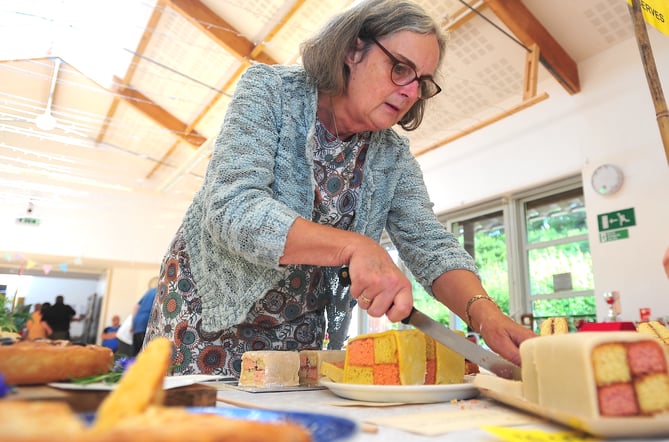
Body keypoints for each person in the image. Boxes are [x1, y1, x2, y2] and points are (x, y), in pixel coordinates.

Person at [144, 0, 536, 378]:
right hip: (207, 323)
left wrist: (484, 313)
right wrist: (354, 246)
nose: (411, 92)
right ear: (353, 49)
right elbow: (232, 208)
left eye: (422, 82)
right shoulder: (270, 91)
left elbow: (429, 243)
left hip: (300, 339)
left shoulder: (392, 154)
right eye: (400, 68)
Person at [132, 278, 158, 356]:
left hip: (137, 323)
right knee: (144, 353)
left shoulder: (150, 291)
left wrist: (133, 324)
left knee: (136, 352)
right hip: (146, 322)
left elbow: (136, 306)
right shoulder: (161, 290)